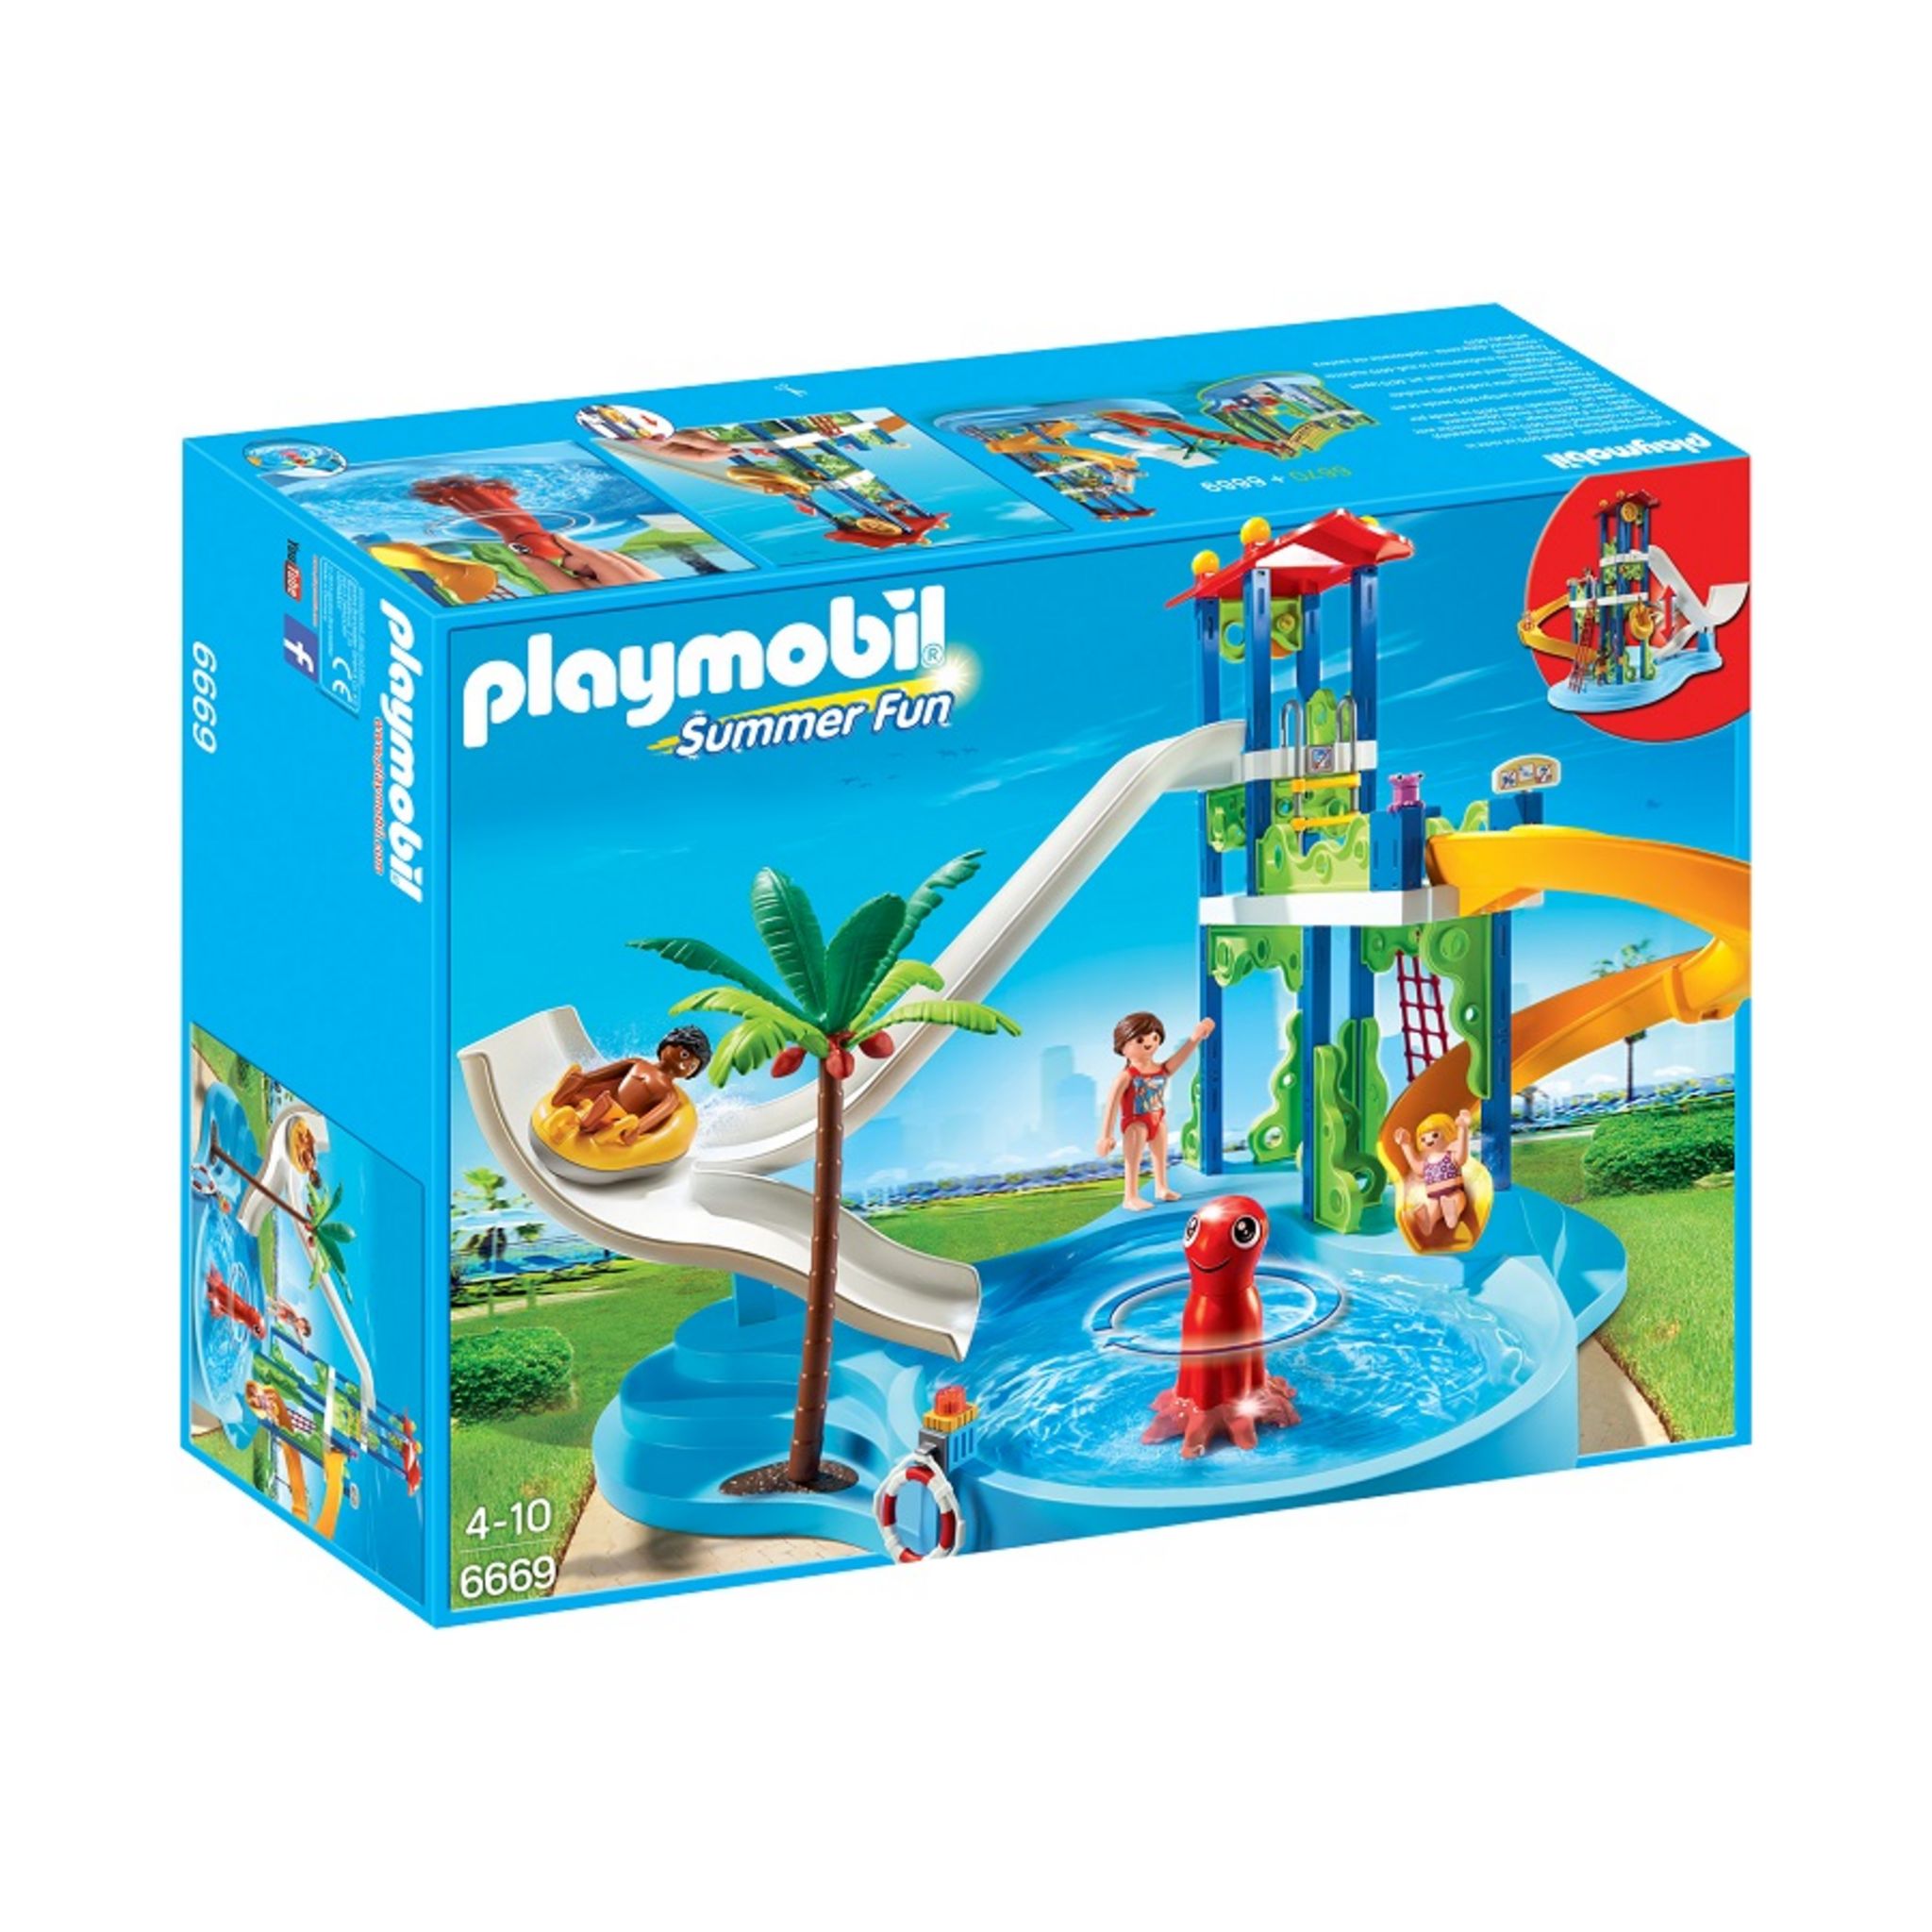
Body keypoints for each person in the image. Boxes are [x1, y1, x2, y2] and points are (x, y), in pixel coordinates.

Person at [1098, 1010, 1214, 1210]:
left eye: (1154, 1037)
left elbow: (1180, 1057)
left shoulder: (1162, 1069)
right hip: (1136, 1122)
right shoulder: (1126, 1076)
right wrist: (1105, 1136)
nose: (1149, 1043)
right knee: (1133, 1161)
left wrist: (1195, 1038)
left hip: (1158, 1118)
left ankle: (1161, 1187)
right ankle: (1130, 1196)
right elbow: (1112, 1104)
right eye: (1140, 1039)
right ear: (1123, 1047)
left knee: (1160, 1156)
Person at [548, 1025, 713, 1146]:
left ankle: (589, 1124)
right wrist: (585, 1079)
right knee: (585, 1095)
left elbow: (656, 1115)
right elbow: (608, 1073)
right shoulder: (637, 1063)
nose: (684, 1064)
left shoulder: (670, 1096)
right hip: (601, 1099)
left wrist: (637, 1129)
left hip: (618, 1116)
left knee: (606, 1112)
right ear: (667, 1044)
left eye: (692, 1066)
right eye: (684, 1054)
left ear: (692, 1074)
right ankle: (564, 1096)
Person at [1392, 1109, 1474, 1238]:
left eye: (1435, 1135)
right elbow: (1417, 1168)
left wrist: (1463, 1128)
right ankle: (1427, 1223)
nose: (1429, 1140)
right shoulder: (1426, 1162)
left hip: (1454, 1191)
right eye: (1423, 1138)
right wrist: (1405, 1144)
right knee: (1433, 1209)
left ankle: (1452, 1213)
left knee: (1459, 1198)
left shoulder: (1450, 1156)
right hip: (1434, 1197)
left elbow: (1462, 1156)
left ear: (1447, 1133)